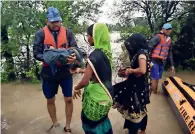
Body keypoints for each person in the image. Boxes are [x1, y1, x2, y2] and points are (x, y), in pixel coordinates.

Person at [33, 7, 78, 133]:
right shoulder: (40, 34)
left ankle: (68, 126)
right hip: (48, 73)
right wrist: (49, 57)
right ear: (47, 21)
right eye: (53, 22)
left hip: (65, 71)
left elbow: (75, 48)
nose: (56, 24)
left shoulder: (68, 33)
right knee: (50, 99)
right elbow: (36, 53)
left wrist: (73, 57)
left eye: (58, 21)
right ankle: (55, 123)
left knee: (69, 99)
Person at [73, 23, 113, 134]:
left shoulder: (94, 55)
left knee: (90, 123)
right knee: (103, 120)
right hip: (107, 95)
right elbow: (99, 72)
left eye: (88, 35)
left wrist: (76, 87)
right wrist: (81, 70)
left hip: (96, 99)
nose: (87, 38)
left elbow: (85, 81)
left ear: (94, 36)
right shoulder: (107, 53)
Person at [113, 33, 151, 134]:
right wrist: (126, 71)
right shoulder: (142, 52)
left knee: (134, 109)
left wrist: (130, 71)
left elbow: (142, 70)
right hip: (139, 85)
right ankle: (142, 130)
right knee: (141, 108)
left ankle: (134, 130)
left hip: (137, 87)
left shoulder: (141, 54)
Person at [149, 23, 175, 94]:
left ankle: (153, 90)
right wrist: (149, 61)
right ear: (163, 29)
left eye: (169, 29)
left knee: (158, 77)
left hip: (162, 61)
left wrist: (172, 65)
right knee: (155, 78)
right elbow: (149, 48)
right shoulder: (157, 37)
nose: (168, 31)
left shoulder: (169, 40)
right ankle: (155, 93)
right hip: (154, 60)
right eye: (166, 29)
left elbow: (170, 53)